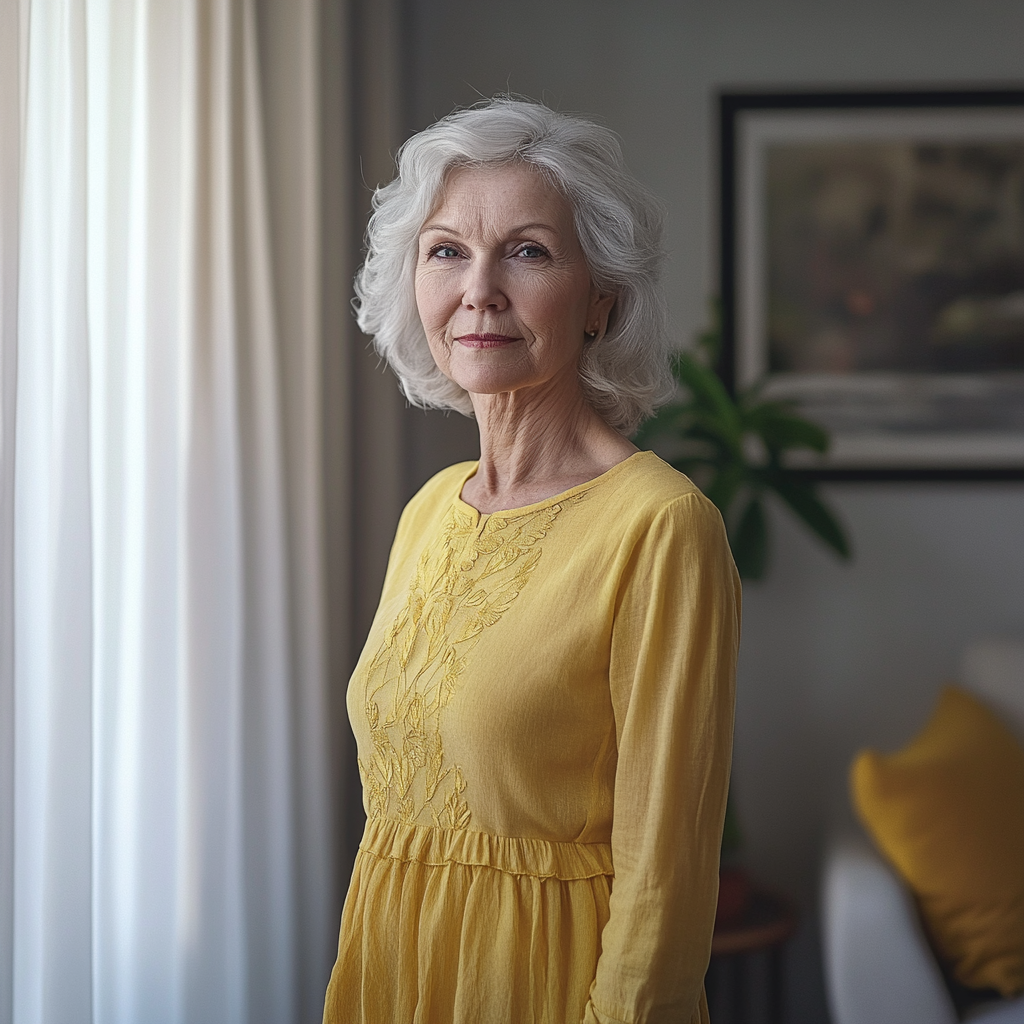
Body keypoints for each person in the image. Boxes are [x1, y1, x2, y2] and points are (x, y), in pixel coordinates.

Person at [322, 97, 740, 1024]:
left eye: (528, 251)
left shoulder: (664, 526)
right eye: (446, 251)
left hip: (544, 986)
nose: (479, 289)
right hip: (395, 973)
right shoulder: (430, 510)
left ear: (602, 299)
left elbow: (665, 874)